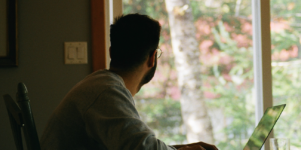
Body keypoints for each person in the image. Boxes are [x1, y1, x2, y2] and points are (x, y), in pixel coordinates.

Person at [40, 13, 217, 150]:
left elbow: (133, 143)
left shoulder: (101, 83)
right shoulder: (106, 91)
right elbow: (141, 147)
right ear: (152, 58)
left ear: (111, 52)